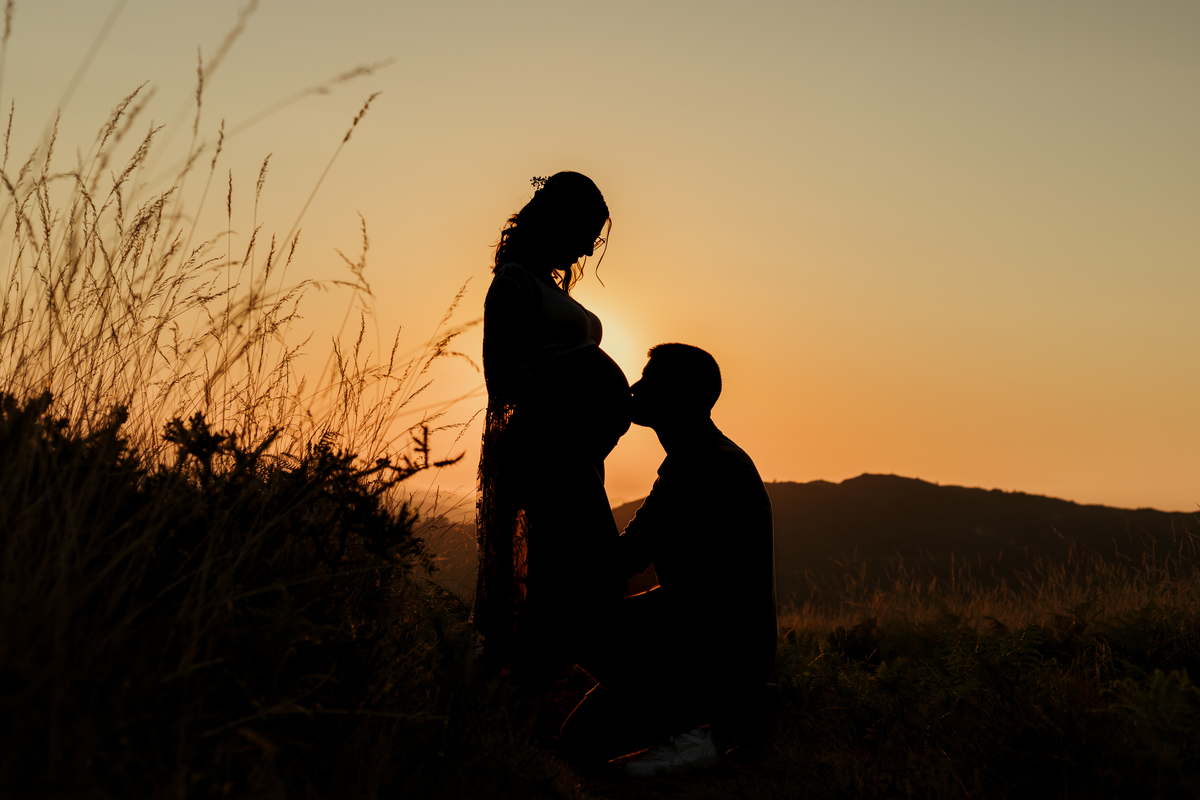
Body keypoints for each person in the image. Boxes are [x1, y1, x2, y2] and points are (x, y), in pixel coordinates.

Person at [562, 343, 778, 776]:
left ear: (683, 395)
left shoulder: (703, 466)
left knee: (571, 624)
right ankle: (705, 722)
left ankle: (696, 726)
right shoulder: (703, 456)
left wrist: (577, 466)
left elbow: (621, 561)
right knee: (577, 743)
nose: (635, 389)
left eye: (650, 380)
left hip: (715, 646)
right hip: (707, 633)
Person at [474, 172, 631, 681]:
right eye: (587, 232)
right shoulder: (514, 280)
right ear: (560, 222)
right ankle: (605, 691)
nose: (588, 249)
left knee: (560, 577)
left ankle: (522, 706)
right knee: (589, 573)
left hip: (575, 454)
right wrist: (566, 415)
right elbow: (504, 373)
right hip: (548, 451)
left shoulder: (545, 285)